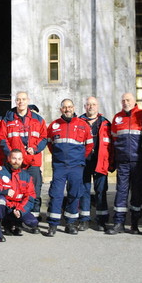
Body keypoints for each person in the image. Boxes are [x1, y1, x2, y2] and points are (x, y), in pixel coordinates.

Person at [0, 91, 47, 232]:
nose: (21, 102)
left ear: (28, 101)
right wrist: (10, 155)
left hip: (32, 162)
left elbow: (44, 137)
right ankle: (14, 221)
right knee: (14, 192)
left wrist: (36, 149)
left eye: (23, 99)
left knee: (34, 192)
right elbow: (2, 138)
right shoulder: (8, 119)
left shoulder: (38, 119)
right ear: (15, 101)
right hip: (15, 163)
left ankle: (34, 220)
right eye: (18, 99)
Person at [46, 99, 93, 236]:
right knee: (56, 194)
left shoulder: (83, 125)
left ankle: (70, 223)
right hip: (59, 166)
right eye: (65, 107)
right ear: (61, 109)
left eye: (70, 107)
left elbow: (89, 146)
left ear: (74, 108)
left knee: (74, 194)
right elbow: (50, 144)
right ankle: (53, 225)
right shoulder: (54, 125)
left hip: (76, 166)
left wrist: (79, 158)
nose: (67, 109)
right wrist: (59, 157)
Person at [106, 93, 142, 235]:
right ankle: (119, 223)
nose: (125, 102)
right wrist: (113, 160)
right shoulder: (117, 118)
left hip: (138, 162)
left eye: (128, 100)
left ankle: (134, 224)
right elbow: (113, 142)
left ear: (134, 101)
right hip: (123, 161)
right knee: (121, 191)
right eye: (123, 100)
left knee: (137, 192)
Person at [79, 97, 112, 231]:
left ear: (97, 106)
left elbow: (112, 145)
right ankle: (84, 220)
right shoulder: (78, 122)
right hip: (84, 162)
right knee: (84, 191)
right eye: (88, 105)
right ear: (85, 107)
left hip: (100, 162)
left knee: (101, 191)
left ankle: (101, 220)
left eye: (93, 104)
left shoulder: (105, 123)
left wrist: (112, 162)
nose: (91, 107)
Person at [0, 149, 38, 236]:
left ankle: (15, 223)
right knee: (0, 201)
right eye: (14, 158)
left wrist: (21, 210)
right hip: (4, 206)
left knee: (33, 222)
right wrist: (4, 192)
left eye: (19, 159)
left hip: (17, 207)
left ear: (22, 160)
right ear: (9, 158)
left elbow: (30, 197)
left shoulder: (26, 176)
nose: (16, 162)